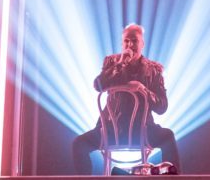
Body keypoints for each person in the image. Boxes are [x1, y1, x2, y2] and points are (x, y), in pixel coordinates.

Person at [72, 23, 180, 174]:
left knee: (168, 136)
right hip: (111, 130)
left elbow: (162, 107)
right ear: (122, 43)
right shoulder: (112, 63)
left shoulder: (154, 70)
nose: (130, 45)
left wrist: (143, 90)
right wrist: (119, 64)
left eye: (134, 41)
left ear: (142, 43)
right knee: (79, 143)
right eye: (126, 41)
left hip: (143, 130)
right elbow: (98, 85)